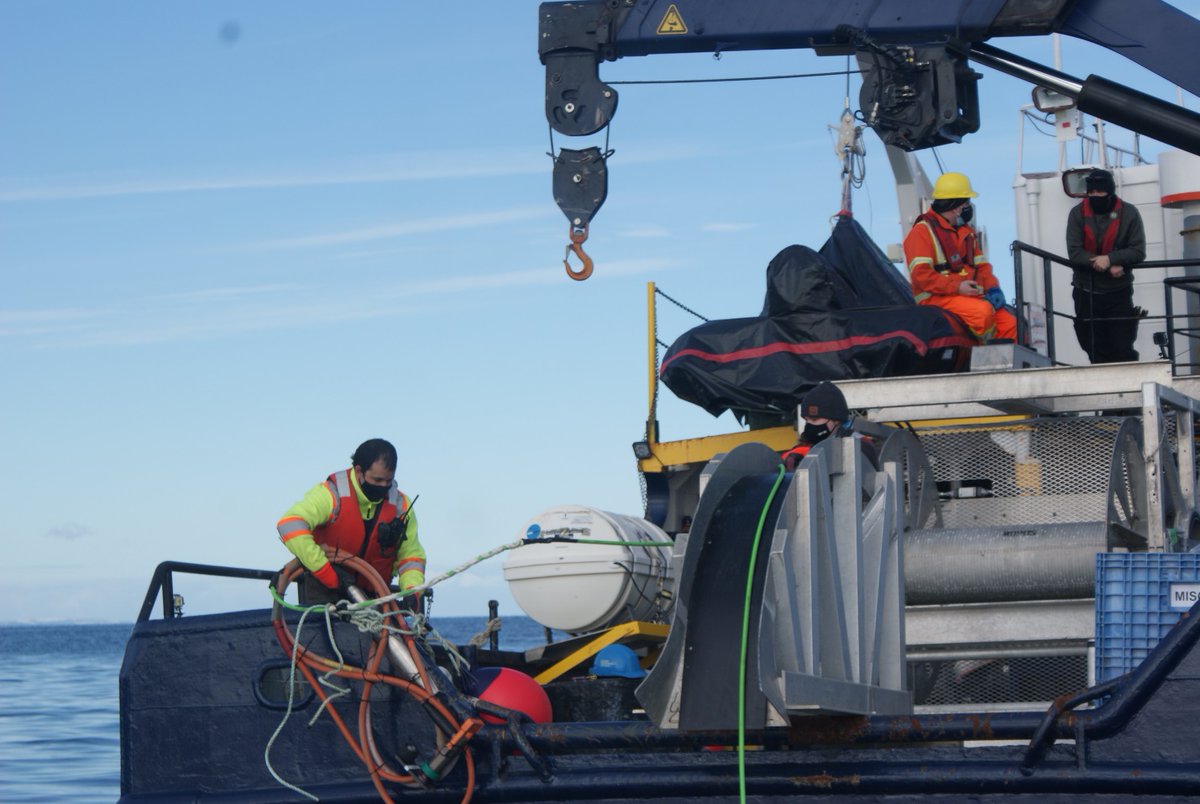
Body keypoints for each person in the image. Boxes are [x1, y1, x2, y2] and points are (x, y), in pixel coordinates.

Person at [276, 438, 426, 605]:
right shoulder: (332, 494)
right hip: (324, 591)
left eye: (388, 481)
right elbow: (289, 524)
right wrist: (328, 574)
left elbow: (411, 557)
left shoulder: (401, 506)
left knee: (385, 630)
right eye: (377, 480)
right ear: (359, 471)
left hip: (374, 597)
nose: (383, 487)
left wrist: (413, 591)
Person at [903, 172, 1018, 343]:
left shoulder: (966, 233)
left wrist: (993, 288)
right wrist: (957, 288)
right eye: (966, 202)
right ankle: (984, 359)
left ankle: (1005, 366)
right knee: (982, 314)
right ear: (956, 206)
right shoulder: (921, 232)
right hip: (935, 298)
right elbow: (921, 276)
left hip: (968, 296)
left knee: (1010, 323)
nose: (968, 206)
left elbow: (982, 268)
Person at [1065, 168, 1146, 363]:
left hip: (1119, 293)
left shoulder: (1129, 213)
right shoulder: (1077, 214)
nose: (1095, 196)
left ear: (1110, 192)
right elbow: (1075, 252)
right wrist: (1106, 263)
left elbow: (1138, 251)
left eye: (1100, 192)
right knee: (1093, 348)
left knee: (1122, 347)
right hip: (1085, 291)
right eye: (1091, 193)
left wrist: (1111, 258)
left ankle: (1129, 387)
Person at [781, 381, 853, 470]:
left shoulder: (859, 445)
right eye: (807, 420)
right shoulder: (798, 452)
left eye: (815, 419)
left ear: (836, 420)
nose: (809, 425)